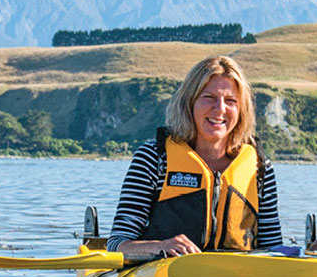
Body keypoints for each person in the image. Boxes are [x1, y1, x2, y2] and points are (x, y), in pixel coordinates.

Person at [108, 55, 280, 256]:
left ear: (242, 110)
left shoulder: (260, 168)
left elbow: (273, 249)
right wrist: (161, 246)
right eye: (209, 98)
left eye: (231, 101)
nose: (220, 109)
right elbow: (117, 243)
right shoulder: (153, 157)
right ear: (189, 102)